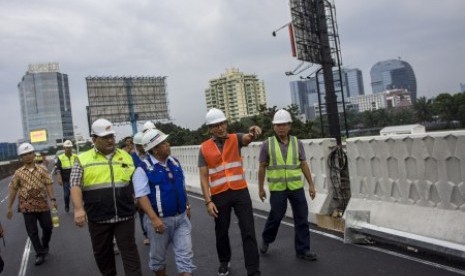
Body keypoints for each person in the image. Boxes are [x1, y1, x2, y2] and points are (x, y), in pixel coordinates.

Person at [70, 118, 142, 276]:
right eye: (105, 137)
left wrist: (138, 198)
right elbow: (75, 185)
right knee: (103, 255)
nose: (110, 140)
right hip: (98, 217)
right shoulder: (82, 160)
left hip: (125, 215)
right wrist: (78, 209)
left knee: (130, 252)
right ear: (94, 139)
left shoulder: (126, 156)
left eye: (112, 136)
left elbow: (135, 180)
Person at [199, 108, 261, 276]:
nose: (220, 127)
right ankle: (224, 261)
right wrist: (208, 201)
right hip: (219, 194)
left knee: (248, 230)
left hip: (240, 191)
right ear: (210, 128)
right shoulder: (204, 148)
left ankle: (253, 269)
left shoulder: (236, 138)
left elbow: (248, 138)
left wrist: (253, 133)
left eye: (222, 123)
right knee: (221, 231)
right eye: (216, 125)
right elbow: (204, 177)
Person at [133, 128, 195, 276]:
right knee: (158, 260)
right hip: (159, 222)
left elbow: (181, 185)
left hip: (181, 219)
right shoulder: (143, 169)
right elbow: (141, 197)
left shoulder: (175, 162)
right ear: (154, 149)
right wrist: (154, 219)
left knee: (186, 259)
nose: (168, 145)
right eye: (164, 143)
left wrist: (186, 205)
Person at [258, 109, 317, 261]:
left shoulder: (297, 143)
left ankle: (303, 250)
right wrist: (260, 188)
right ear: (273, 127)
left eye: (284, 124)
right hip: (278, 189)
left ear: (289, 126)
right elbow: (262, 167)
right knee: (276, 215)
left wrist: (311, 185)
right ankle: (267, 238)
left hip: (296, 187)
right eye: (278, 125)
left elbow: (303, 164)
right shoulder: (267, 144)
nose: (281, 128)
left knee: (301, 218)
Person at [6, 143, 57, 266]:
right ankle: (39, 254)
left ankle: (45, 244)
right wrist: (9, 207)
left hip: (42, 203)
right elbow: (13, 189)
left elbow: (49, 183)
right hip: (26, 205)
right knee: (32, 232)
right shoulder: (18, 173)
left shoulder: (42, 169)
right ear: (21, 158)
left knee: (48, 227)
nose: (28, 156)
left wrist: (53, 199)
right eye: (24, 155)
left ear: (34, 154)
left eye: (30, 153)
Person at [131, 131, 150, 245]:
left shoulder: (150, 154)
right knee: (142, 212)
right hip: (138, 190)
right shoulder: (131, 158)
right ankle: (146, 234)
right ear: (137, 146)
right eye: (143, 145)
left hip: (151, 187)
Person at [55, 140, 78, 213]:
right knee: (66, 195)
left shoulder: (76, 156)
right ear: (64, 148)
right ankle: (67, 205)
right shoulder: (60, 157)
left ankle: (76, 208)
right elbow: (58, 169)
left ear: (71, 147)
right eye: (67, 147)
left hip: (75, 179)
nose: (68, 149)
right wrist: (59, 178)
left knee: (76, 195)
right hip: (66, 180)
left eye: (70, 147)